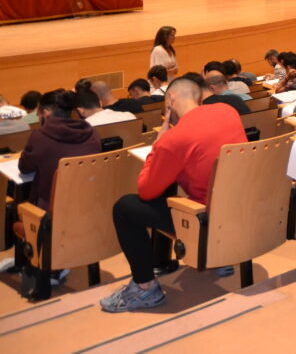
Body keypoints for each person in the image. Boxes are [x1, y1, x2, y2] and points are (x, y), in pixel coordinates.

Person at [100, 78, 246, 312]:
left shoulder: (173, 139)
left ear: (171, 100)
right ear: (198, 97)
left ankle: (145, 287)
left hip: (203, 220)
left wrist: (158, 144)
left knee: (125, 208)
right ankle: (218, 255)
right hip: (240, 208)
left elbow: (146, 191)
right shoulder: (228, 111)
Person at [19, 90, 100, 211]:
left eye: (38, 114)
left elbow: (24, 167)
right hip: (89, 200)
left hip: (52, 207)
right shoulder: (91, 131)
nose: (38, 117)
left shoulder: (39, 136)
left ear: (46, 113)